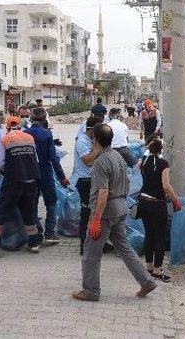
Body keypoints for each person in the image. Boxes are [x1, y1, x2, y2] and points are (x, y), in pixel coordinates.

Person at [72, 123, 157, 301]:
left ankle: (91, 290)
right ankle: (147, 281)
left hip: (105, 212)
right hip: (120, 208)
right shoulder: (118, 157)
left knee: (91, 253)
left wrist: (95, 219)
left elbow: (102, 193)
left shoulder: (101, 162)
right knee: (125, 249)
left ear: (95, 139)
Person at [0, 117, 42, 258]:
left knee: (1, 211)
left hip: (14, 180)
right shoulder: (29, 138)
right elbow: (35, 159)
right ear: (19, 126)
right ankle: (33, 244)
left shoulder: (5, 139)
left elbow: (0, 162)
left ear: (8, 127)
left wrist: (1, 170)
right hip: (32, 179)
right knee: (28, 211)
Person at [138, 139, 182, 282]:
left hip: (143, 202)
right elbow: (166, 186)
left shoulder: (143, 162)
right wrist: (175, 200)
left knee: (149, 234)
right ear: (162, 150)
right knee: (160, 237)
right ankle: (158, 270)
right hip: (157, 204)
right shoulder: (164, 164)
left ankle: (149, 268)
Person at [25, 107, 70, 244]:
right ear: (45, 119)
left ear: (31, 119)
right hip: (45, 173)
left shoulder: (25, 133)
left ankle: (36, 233)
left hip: (29, 174)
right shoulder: (46, 134)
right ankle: (50, 233)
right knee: (51, 202)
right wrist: (62, 177)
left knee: (31, 204)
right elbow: (53, 158)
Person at [75, 116, 105, 254]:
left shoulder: (91, 140)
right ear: (92, 130)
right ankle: (84, 246)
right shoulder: (82, 141)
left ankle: (99, 243)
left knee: (98, 213)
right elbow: (87, 160)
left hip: (94, 180)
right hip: (86, 181)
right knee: (86, 214)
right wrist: (98, 148)